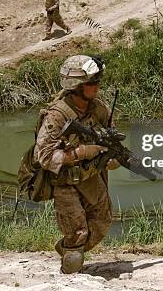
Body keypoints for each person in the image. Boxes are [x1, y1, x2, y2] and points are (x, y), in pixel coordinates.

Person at [33, 55, 120, 273]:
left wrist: (114, 158)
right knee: (77, 234)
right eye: (92, 82)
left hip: (91, 178)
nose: (97, 86)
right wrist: (80, 152)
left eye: (98, 81)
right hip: (65, 183)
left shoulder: (100, 109)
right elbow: (43, 157)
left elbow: (113, 141)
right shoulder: (57, 115)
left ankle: (68, 249)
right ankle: (71, 265)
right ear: (77, 86)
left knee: (103, 221)